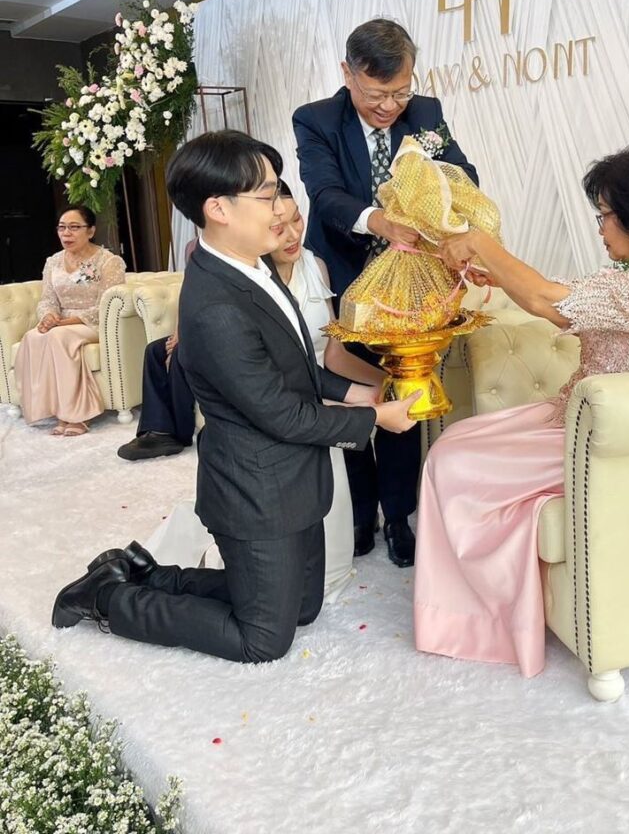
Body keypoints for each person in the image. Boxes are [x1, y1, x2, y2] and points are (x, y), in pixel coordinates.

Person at [52, 130, 420, 663]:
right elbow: (281, 413)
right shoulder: (216, 307)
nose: (282, 208)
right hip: (255, 489)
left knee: (303, 608)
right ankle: (106, 597)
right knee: (263, 639)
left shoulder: (255, 266)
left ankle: (142, 571)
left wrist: (361, 390)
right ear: (218, 208)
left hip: (294, 478)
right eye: (268, 195)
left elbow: (295, 367)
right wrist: (375, 418)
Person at [413, 141, 629, 677]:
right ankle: (466, 607)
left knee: (451, 461)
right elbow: (559, 299)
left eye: (606, 216)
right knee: (454, 443)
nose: (600, 229)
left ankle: (472, 620)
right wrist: (498, 274)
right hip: (577, 414)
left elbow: (546, 301)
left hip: (606, 440)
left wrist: (479, 242)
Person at [144, 181, 387, 602]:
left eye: (296, 219)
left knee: (314, 575)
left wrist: (375, 388)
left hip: (315, 401)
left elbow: (327, 355)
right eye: (276, 218)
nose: (289, 232)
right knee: (271, 608)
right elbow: (271, 397)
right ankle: (135, 585)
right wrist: (373, 413)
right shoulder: (235, 284)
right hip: (274, 420)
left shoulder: (310, 267)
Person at [293, 17, 479, 568]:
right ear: (347, 73)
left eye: (401, 92)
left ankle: (398, 515)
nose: (390, 107)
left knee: (404, 389)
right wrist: (380, 220)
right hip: (347, 275)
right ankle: (359, 512)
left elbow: (463, 174)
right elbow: (325, 193)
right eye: (377, 95)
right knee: (351, 395)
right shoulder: (316, 119)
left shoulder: (425, 113)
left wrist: (443, 202)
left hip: (412, 283)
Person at [16, 206, 126, 436]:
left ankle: (77, 415)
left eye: (74, 227)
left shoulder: (108, 261)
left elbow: (106, 306)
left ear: (91, 231)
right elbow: (47, 299)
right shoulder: (53, 262)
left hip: (92, 322)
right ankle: (52, 409)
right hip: (61, 322)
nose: (66, 233)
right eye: (62, 227)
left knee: (59, 337)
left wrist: (67, 323)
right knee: (33, 336)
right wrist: (48, 316)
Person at [117, 240, 199, 461]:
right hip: (197, 332)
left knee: (182, 351)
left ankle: (180, 433)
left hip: (222, 334)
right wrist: (178, 333)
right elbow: (187, 297)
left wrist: (185, 339)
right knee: (155, 350)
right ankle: (158, 429)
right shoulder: (195, 248)